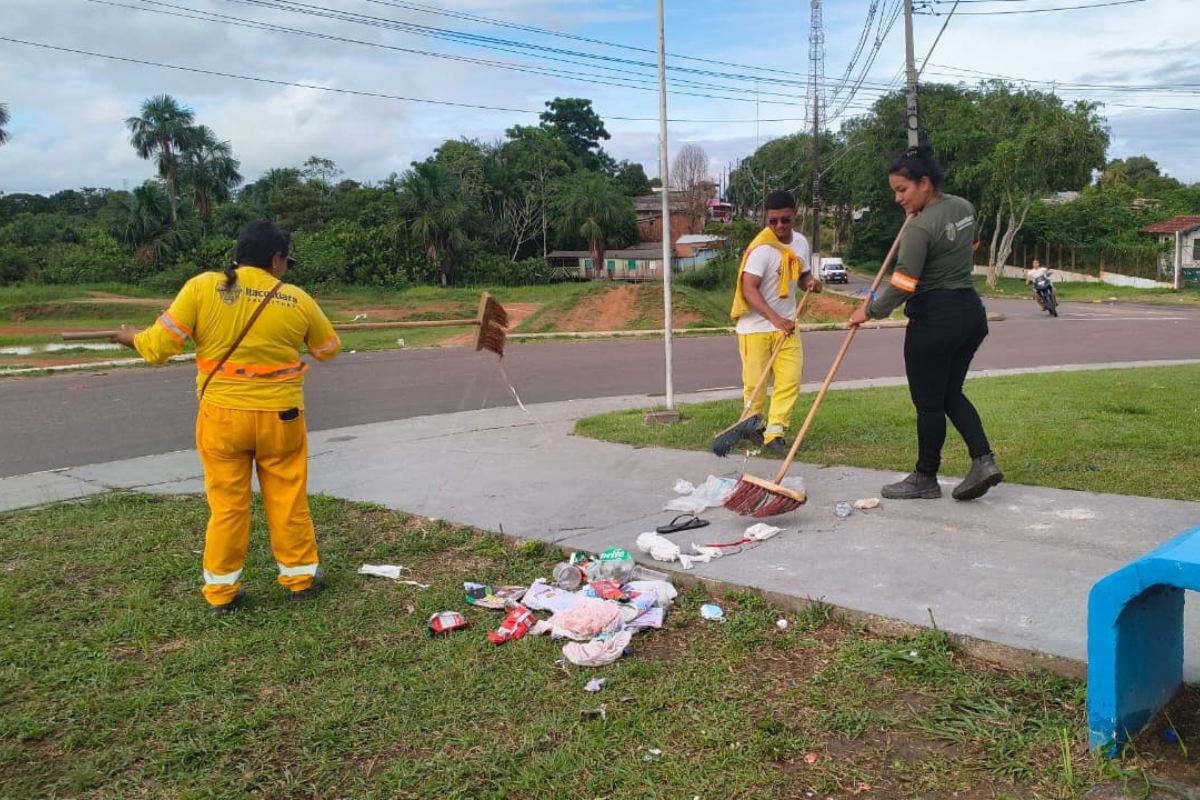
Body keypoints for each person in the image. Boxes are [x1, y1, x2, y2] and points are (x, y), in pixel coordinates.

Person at [115, 221, 341, 613]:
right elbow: (328, 349)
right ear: (276, 258)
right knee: (287, 497)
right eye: (286, 260)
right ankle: (300, 578)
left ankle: (221, 591)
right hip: (281, 418)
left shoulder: (202, 287)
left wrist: (131, 336)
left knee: (228, 505)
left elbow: (158, 346)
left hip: (223, 418)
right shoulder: (297, 298)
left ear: (239, 253)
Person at [848, 145, 1002, 501]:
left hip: (935, 320)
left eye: (903, 190)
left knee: (929, 403)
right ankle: (984, 460)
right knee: (950, 394)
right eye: (895, 192)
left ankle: (925, 476)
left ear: (925, 183)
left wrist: (868, 311)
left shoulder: (917, 229)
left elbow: (903, 283)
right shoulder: (964, 207)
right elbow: (972, 242)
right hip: (970, 315)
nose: (898, 198)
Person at [730, 190, 822, 456]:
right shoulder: (762, 249)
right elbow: (749, 289)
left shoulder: (801, 243)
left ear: (795, 215)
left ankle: (775, 432)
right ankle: (752, 424)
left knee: (790, 379)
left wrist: (811, 283)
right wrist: (775, 318)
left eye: (785, 220)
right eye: (773, 221)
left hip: (787, 325)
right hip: (755, 327)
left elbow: (802, 275)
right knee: (755, 384)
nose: (780, 226)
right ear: (766, 220)